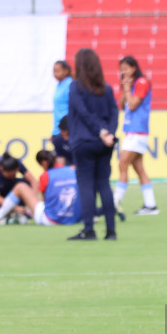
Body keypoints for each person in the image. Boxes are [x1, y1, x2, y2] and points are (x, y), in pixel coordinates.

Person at [67, 47, 119, 241]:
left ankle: (88, 229)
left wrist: (101, 131)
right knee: (104, 184)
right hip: (104, 144)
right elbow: (114, 113)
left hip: (84, 141)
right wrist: (109, 133)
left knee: (86, 186)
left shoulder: (76, 87)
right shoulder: (106, 88)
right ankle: (111, 231)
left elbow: (83, 113)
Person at [0, 150, 81, 226]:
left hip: (51, 220)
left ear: (44, 163)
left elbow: (47, 200)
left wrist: (32, 206)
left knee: (21, 186)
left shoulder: (46, 175)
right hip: (75, 218)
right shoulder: (73, 170)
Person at [113, 55, 158, 219]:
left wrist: (126, 88)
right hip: (132, 130)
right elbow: (121, 104)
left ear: (133, 68)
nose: (123, 72)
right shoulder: (131, 84)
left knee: (122, 163)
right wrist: (125, 87)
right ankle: (151, 204)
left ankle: (115, 201)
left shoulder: (142, 83)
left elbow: (132, 104)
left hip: (137, 130)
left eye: (125, 69)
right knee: (139, 169)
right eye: (121, 70)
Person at [52, 60, 72, 145]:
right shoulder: (59, 85)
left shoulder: (70, 84)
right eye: (54, 71)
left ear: (66, 71)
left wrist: (65, 129)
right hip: (57, 129)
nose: (55, 74)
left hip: (66, 129)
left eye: (58, 71)